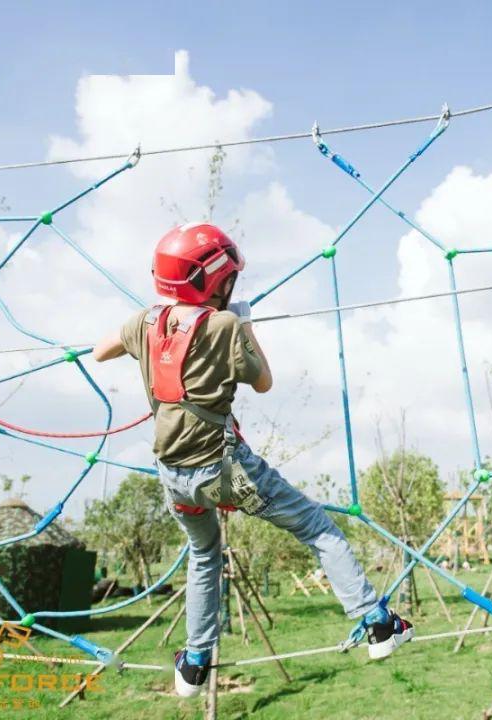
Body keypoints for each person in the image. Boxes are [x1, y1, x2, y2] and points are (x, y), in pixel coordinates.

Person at [93, 223, 412, 697]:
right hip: (225, 470)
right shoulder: (222, 326)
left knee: (203, 553)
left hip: (173, 477)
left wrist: (156, 334)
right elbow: (263, 382)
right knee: (316, 526)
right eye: (227, 281)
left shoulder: (145, 322)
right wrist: (242, 324)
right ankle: (378, 622)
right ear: (213, 281)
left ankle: (195, 663)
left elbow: (101, 352)